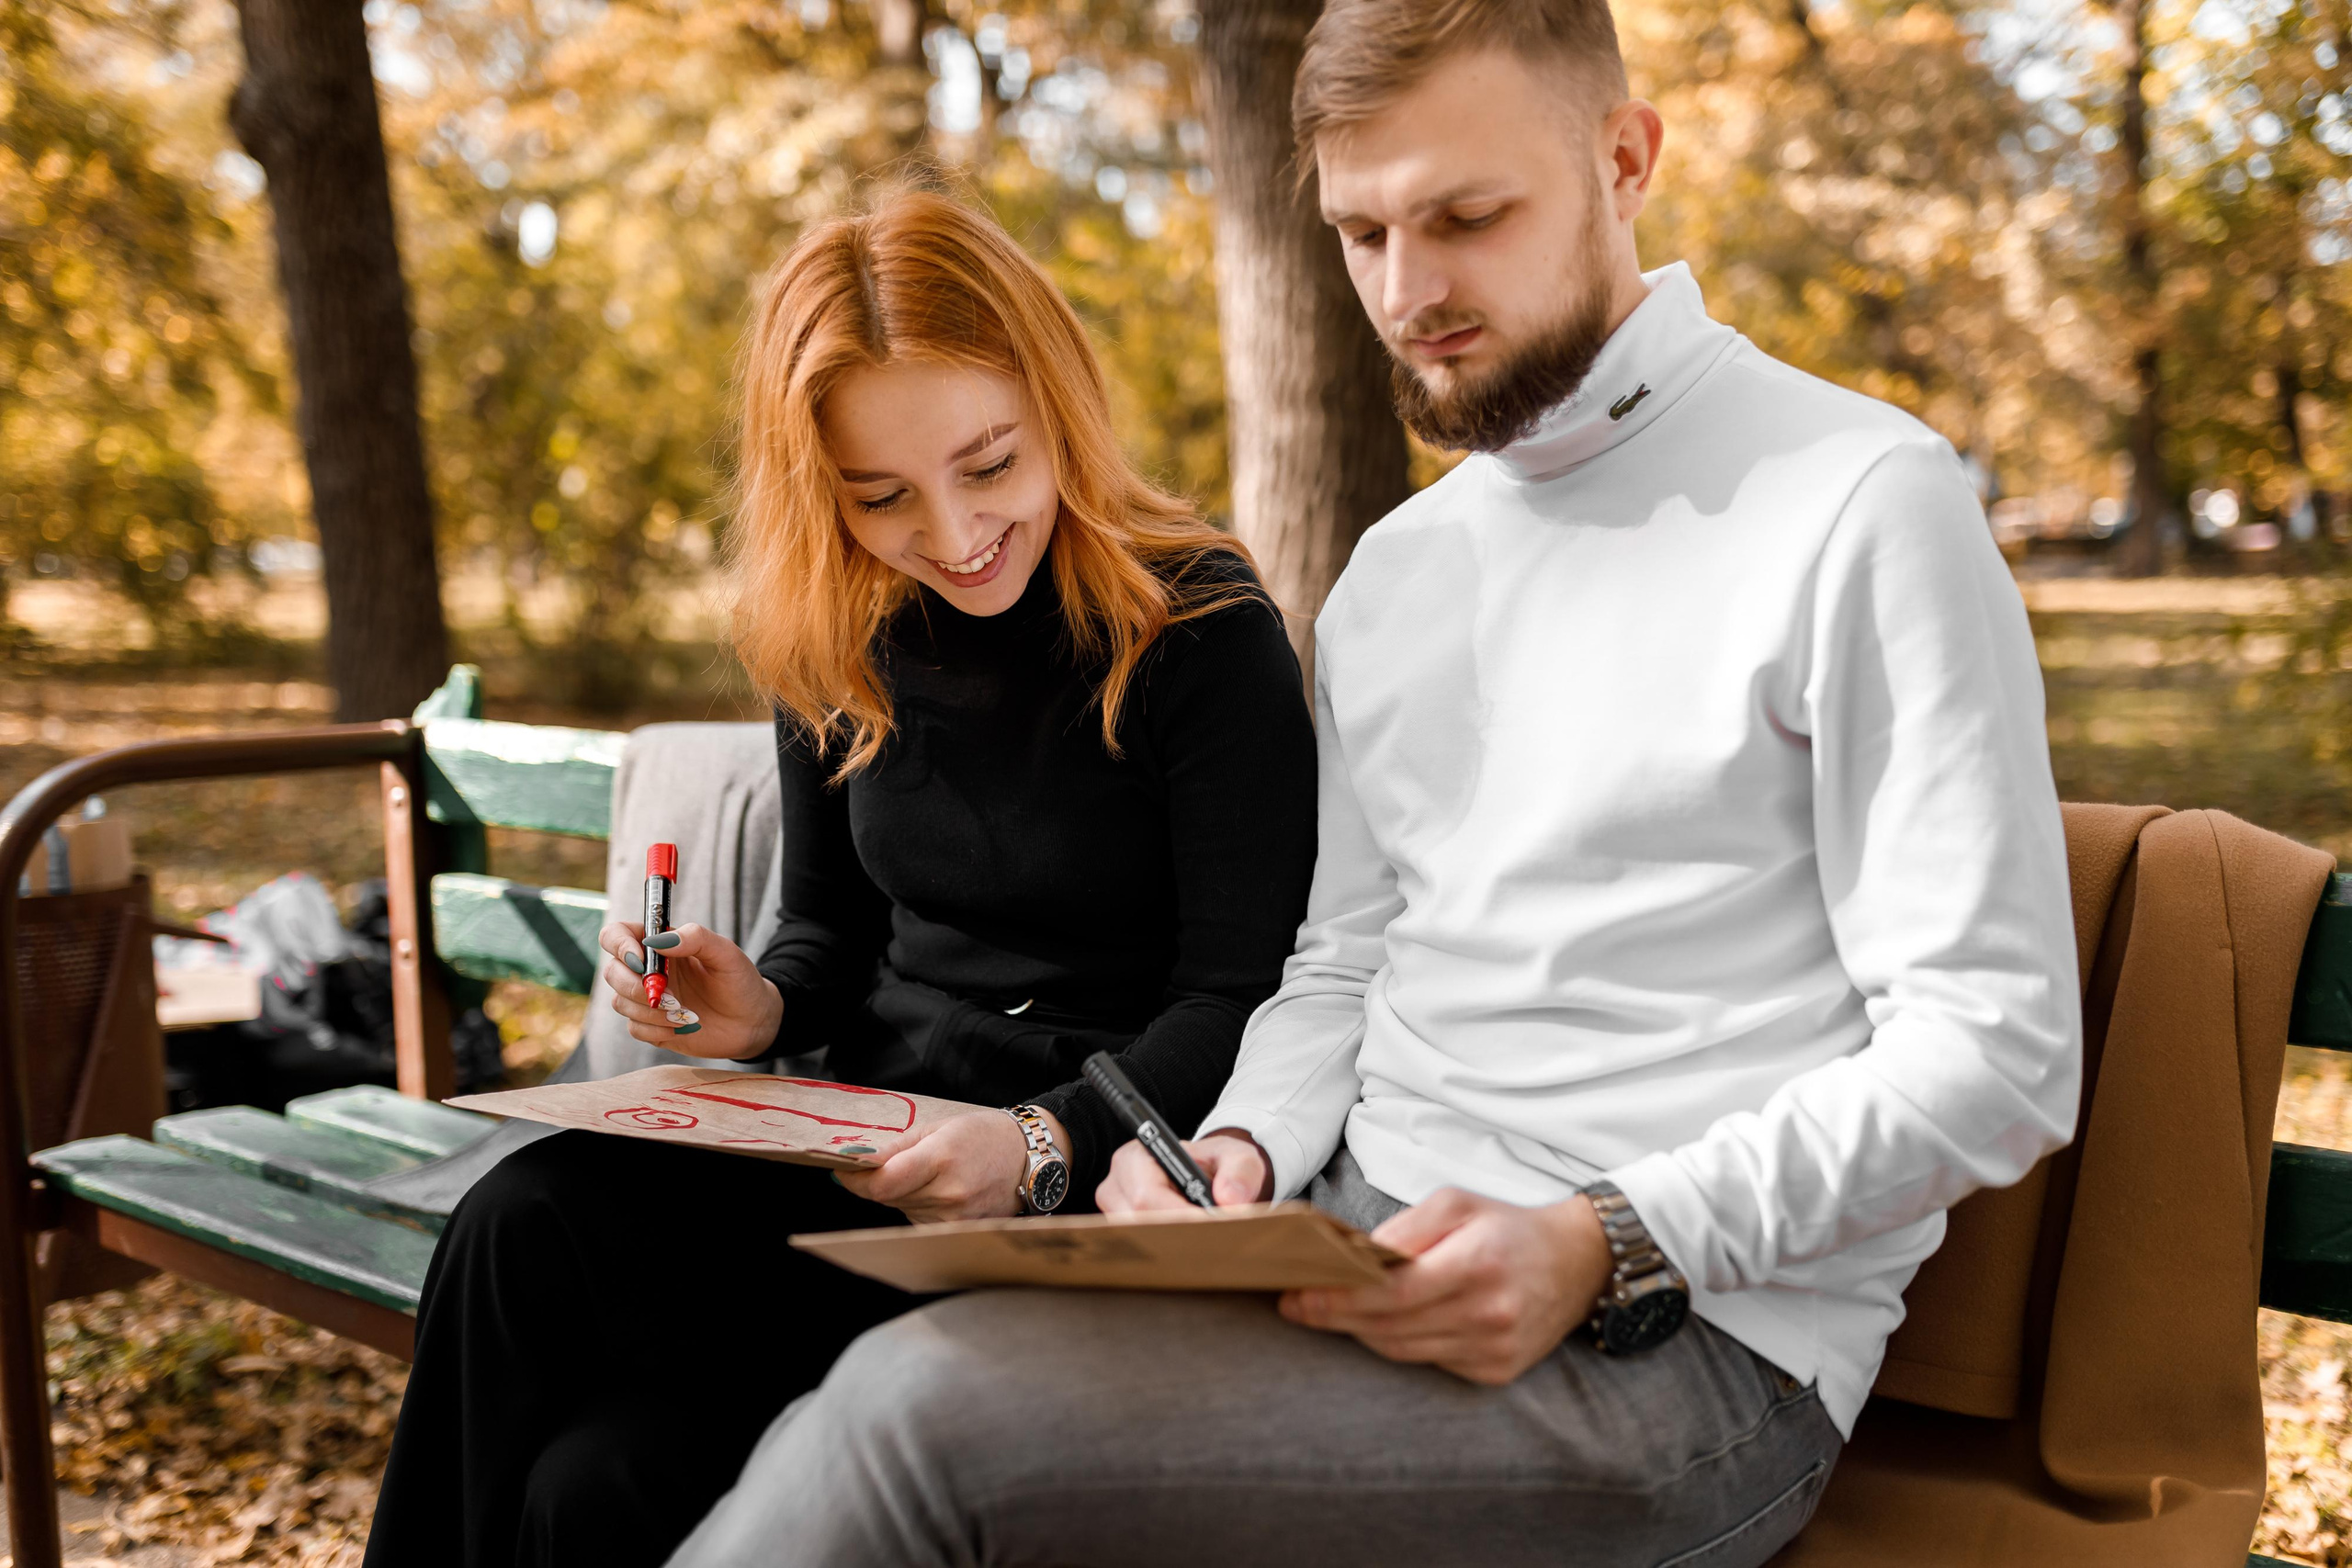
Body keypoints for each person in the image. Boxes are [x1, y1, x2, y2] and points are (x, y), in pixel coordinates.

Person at [664, 3, 2081, 1566]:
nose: (1407, 293)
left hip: (1686, 1343)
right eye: (1362, 233)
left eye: (1468, 218)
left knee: (922, 1426)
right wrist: (1240, 1152)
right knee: (802, 1354)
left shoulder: (1861, 502)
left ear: (1626, 161)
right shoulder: (1401, 572)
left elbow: (1998, 1052)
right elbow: (1342, 962)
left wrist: (1602, 1237)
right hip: (1337, 1241)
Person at [360, 187, 1318, 1568]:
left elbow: (1240, 994)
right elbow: (829, 933)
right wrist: (758, 1008)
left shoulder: (1199, 623)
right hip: (864, 1158)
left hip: (1078, 1194)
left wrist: (1037, 1144)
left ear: (1057, 402)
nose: (956, 531)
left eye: (990, 465)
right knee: (538, 1285)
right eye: (883, 497)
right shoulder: (837, 625)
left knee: (599, 1472)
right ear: (822, 488)